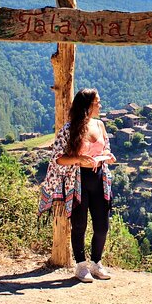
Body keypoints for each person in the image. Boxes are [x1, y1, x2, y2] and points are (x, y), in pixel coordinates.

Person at [38, 88, 116, 283]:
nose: (100, 104)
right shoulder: (69, 129)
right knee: (79, 224)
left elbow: (106, 148)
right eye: (97, 101)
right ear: (88, 105)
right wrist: (78, 158)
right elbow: (57, 158)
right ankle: (81, 266)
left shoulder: (100, 125)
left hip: (99, 179)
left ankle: (96, 263)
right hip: (77, 180)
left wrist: (108, 157)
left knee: (102, 226)